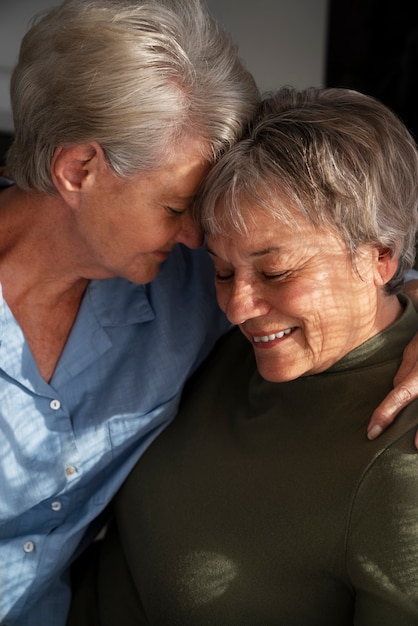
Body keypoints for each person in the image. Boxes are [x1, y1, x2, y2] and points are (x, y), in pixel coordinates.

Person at [68, 87, 418, 625]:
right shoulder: (236, 346)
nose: (236, 307)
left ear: (379, 257)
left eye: (276, 272)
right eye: (223, 271)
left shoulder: (402, 463)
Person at [0, 1, 261, 624]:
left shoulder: (197, 280)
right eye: (175, 207)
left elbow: (355, 267)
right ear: (78, 169)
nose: (198, 237)